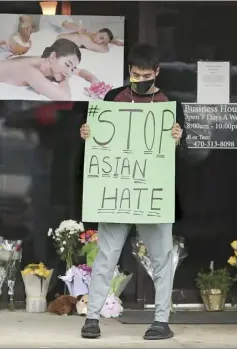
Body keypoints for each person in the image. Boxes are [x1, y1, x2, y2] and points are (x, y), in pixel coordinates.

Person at [79, 43, 186, 340]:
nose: (140, 79)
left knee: (162, 257)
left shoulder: (170, 104)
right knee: (106, 255)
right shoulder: (113, 98)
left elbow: (184, 156)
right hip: (117, 191)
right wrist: (87, 134)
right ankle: (92, 318)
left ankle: (161, 321)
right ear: (129, 71)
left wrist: (178, 138)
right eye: (136, 74)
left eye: (146, 74)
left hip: (154, 194)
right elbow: (98, 139)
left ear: (157, 72)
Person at [0, 38, 99, 101]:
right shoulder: (31, 71)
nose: (69, 72)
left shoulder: (48, 63)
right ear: (52, 57)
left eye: (72, 68)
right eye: (67, 64)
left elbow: (80, 71)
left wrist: (95, 81)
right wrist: (63, 80)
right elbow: (64, 97)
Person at [58, 28, 124, 53]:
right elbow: (105, 50)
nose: (99, 42)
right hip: (58, 39)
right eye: (101, 37)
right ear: (98, 32)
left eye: (103, 42)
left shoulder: (91, 35)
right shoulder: (86, 38)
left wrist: (115, 42)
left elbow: (105, 40)